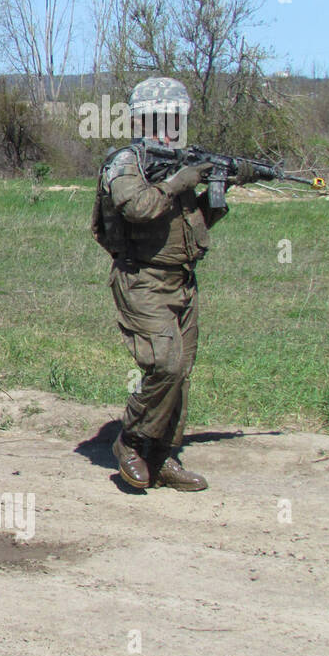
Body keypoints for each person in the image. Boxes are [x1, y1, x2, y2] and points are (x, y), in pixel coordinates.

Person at [92, 76, 257, 492]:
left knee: (180, 372)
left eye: (174, 121)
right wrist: (182, 181)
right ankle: (130, 440)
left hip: (183, 281)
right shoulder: (126, 162)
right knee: (163, 365)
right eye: (157, 120)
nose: (166, 130)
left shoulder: (177, 163)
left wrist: (222, 186)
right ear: (140, 121)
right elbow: (140, 207)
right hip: (141, 279)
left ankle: (162, 456)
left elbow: (191, 222)